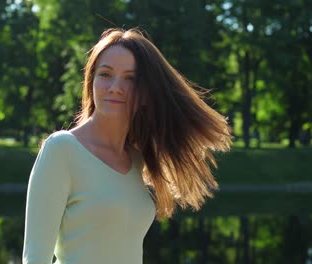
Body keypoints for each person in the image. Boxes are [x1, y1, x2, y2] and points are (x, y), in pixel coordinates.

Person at [22, 28, 232, 264]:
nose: (114, 87)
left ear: (145, 93)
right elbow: (35, 258)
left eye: (130, 78)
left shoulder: (137, 159)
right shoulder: (61, 150)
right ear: (91, 81)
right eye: (105, 74)